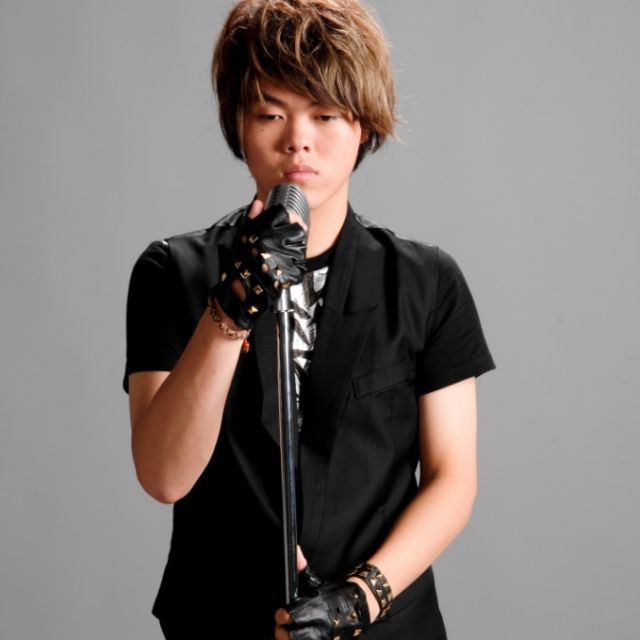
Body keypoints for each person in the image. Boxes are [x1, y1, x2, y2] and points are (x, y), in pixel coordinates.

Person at [123, 0, 496, 637]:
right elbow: (163, 476)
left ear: (363, 126)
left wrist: (358, 600)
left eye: (325, 114)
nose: (298, 138)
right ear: (239, 124)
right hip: (221, 619)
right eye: (270, 113)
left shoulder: (426, 281)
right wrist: (232, 306)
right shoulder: (172, 272)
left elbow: (451, 478)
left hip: (386, 624)